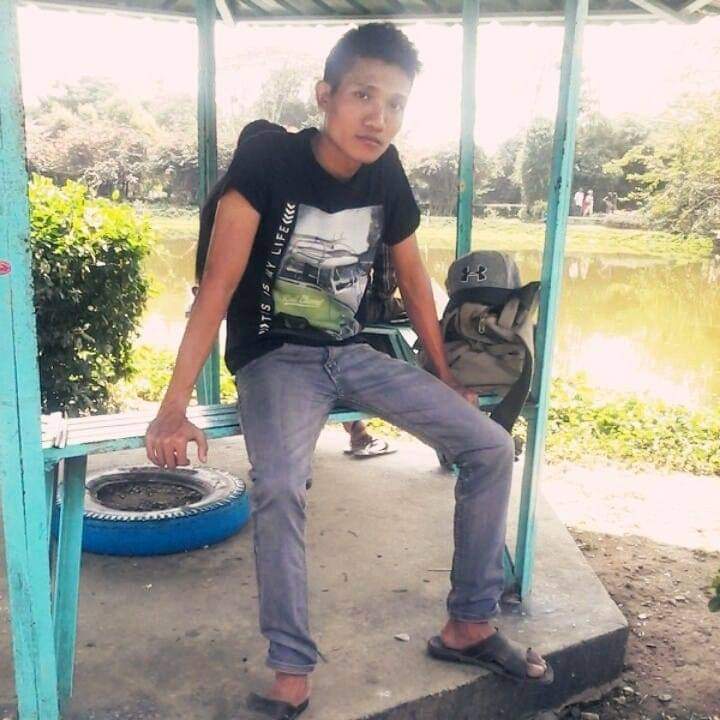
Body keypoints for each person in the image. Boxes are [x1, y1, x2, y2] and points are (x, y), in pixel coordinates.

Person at [145, 22, 551, 719]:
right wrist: (173, 406)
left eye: (396, 103)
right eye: (364, 95)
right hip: (275, 358)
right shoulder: (267, 162)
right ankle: (291, 670)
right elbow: (216, 287)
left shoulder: (385, 171)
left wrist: (442, 371)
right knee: (280, 485)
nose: (379, 118)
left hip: (352, 351)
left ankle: (470, 623)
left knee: (489, 446)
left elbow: (414, 278)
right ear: (325, 95)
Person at [196, 121, 395, 460]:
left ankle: (341, 431)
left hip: (255, 326)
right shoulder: (243, 199)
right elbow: (218, 277)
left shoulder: (220, 199)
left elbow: (207, 273)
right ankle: (347, 432)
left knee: (319, 347)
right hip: (270, 330)